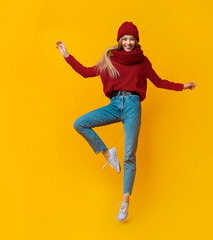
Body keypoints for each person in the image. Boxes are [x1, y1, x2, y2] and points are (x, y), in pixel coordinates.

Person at [56, 21, 196, 222]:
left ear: (136, 41)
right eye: (125, 39)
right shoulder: (110, 59)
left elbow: (158, 81)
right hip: (115, 105)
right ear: (120, 41)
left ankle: (124, 201)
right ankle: (107, 153)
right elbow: (87, 72)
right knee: (80, 123)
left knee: (130, 155)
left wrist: (182, 86)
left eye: (132, 39)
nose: (129, 42)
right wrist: (67, 56)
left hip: (132, 106)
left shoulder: (143, 61)